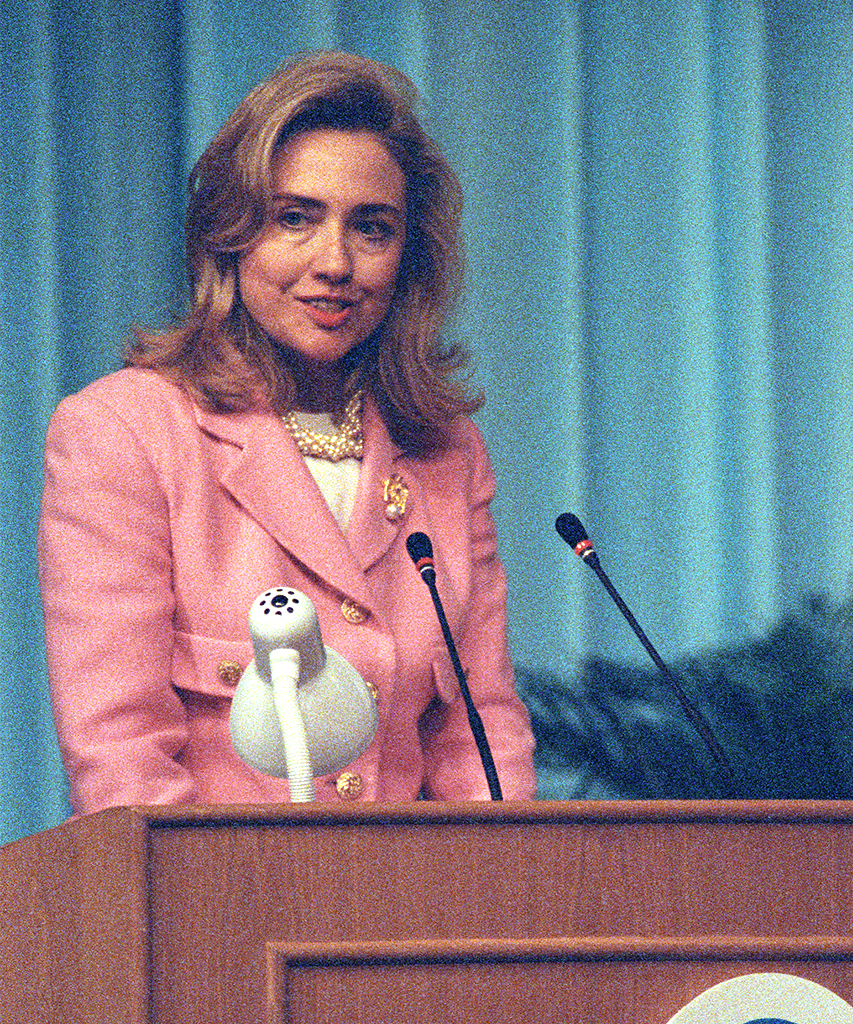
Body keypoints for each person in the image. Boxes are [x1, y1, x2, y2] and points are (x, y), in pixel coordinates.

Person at [37, 51, 536, 814]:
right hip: (213, 888)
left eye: (372, 228)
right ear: (230, 236)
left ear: (409, 257)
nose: (335, 262)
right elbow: (122, 760)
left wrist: (509, 880)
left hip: (414, 890)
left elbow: (482, 740)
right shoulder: (121, 432)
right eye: (295, 219)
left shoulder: (448, 452)